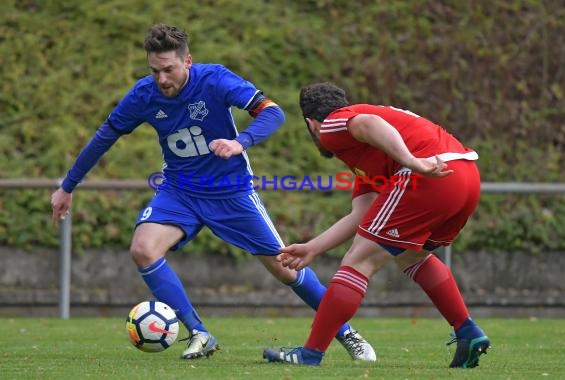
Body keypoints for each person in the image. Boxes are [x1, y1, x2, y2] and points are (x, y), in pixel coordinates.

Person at [50, 26, 376, 361]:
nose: (161, 79)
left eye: (169, 70)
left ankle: (347, 333)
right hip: (179, 190)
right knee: (143, 249)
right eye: (154, 70)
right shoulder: (143, 95)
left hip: (231, 191)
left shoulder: (215, 79)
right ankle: (199, 332)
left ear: (187, 61)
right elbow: (106, 135)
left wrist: (240, 142)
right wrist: (67, 186)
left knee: (284, 267)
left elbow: (272, 111)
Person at [263, 83, 490, 368]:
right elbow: (363, 212)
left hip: (429, 172)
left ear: (311, 124)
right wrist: (313, 247)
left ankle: (311, 353)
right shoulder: (366, 155)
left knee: (358, 260)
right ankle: (467, 331)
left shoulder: (334, 123)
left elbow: (369, 123)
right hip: (464, 177)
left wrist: (412, 162)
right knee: (412, 255)